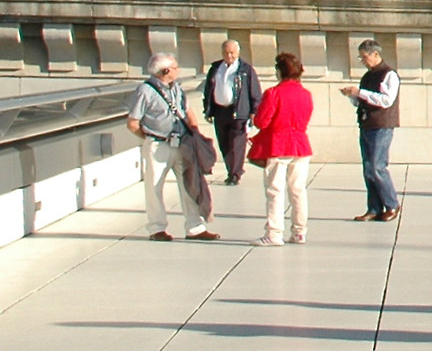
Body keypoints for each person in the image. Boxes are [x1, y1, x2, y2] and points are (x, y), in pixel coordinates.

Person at [127, 51, 217, 241]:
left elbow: (187, 111)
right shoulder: (145, 91)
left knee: (189, 184)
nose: (178, 71)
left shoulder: (177, 89)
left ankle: (195, 227)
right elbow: (133, 122)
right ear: (165, 70)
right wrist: (149, 138)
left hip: (182, 143)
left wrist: (195, 132)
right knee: (154, 187)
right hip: (158, 144)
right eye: (175, 68)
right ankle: (156, 228)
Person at [248, 50, 315, 247]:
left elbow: (262, 121)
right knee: (298, 190)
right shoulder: (306, 94)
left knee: (275, 191)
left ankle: (274, 233)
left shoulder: (273, 93)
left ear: (279, 71)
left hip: (278, 144)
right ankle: (299, 231)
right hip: (301, 144)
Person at [340, 40, 401, 221]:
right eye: (361, 58)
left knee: (377, 166)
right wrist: (353, 96)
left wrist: (360, 93)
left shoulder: (389, 75)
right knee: (368, 168)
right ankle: (374, 208)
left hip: (381, 125)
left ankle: (392, 204)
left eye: (365, 57)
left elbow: (386, 100)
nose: (363, 61)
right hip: (367, 124)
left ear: (375, 54)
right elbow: (364, 100)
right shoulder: (367, 77)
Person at [202, 38, 263, 186]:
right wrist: (208, 109)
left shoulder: (245, 70)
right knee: (224, 143)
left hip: (239, 111)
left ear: (238, 52)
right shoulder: (216, 68)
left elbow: (255, 92)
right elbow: (208, 90)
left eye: (232, 53)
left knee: (237, 143)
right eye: (226, 52)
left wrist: (254, 111)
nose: (229, 56)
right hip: (220, 111)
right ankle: (231, 170)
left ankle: (235, 173)